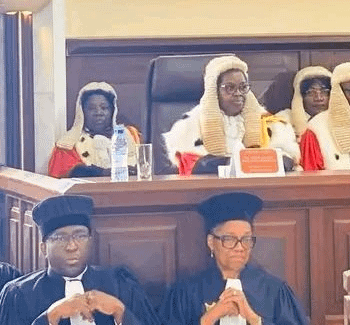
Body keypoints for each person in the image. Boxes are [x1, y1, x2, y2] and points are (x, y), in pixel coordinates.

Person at [0, 195, 161, 325]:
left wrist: (120, 312)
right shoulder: (19, 294)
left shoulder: (120, 284)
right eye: (60, 238)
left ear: (90, 240)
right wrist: (50, 317)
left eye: (80, 236)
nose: (72, 246)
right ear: (43, 248)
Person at [159, 192, 309, 325]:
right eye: (229, 239)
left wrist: (254, 319)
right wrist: (209, 318)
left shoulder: (274, 291)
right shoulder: (186, 292)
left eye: (246, 239)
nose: (240, 247)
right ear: (211, 242)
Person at [163, 55, 300, 175]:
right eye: (230, 88)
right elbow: (191, 166)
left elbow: (288, 160)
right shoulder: (189, 126)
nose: (238, 93)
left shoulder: (271, 124)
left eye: (243, 87)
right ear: (214, 90)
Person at [48, 82, 140, 178]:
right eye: (91, 108)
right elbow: (64, 173)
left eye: (104, 108)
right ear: (82, 112)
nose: (98, 113)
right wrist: (101, 172)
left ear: (112, 111)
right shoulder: (69, 144)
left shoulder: (129, 136)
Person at [275, 66, 332, 138]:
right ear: (300, 96)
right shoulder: (284, 120)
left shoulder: (340, 119)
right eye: (311, 92)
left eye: (324, 92)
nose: (319, 98)